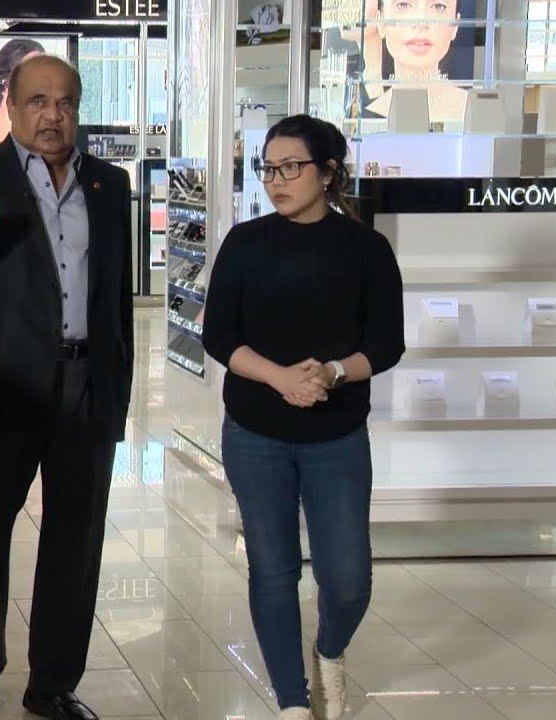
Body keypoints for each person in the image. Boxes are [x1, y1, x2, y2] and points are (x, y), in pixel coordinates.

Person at [0, 54, 135, 720]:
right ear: (10, 106)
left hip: (86, 389)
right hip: (2, 391)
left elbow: (116, 298)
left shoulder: (110, 184)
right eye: (38, 101)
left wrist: (117, 393)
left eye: (65, 102)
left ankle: (52, 684)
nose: (53, 116)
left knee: (75, 540)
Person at [200, 114, 405, 720]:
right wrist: (279, 377)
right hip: (254, 432)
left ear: (328, 172)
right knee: (273, 569)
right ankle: (292, 700)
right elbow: (219, 335)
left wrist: (334, 372)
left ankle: (329, 652)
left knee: (348, 579)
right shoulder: (245, 242)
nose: (275, 181)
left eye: (290, 168)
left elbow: (386, 345)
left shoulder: (366, 249)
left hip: (336, 435)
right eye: (267, 169)